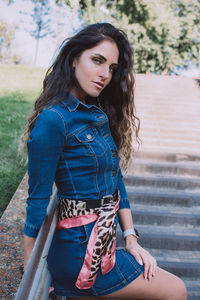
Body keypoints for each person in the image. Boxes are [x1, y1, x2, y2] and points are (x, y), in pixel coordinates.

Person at [21, 23, 187, 299]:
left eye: (111, 67)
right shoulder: (54, 119)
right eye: (97, 60)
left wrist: (131, 238)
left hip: (104, 244)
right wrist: (30, 271)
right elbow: (37, 201)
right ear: (74, 59)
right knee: (175, 289)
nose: (105, 74)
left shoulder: (95, 115)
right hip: (79, 256)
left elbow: (115, 180)